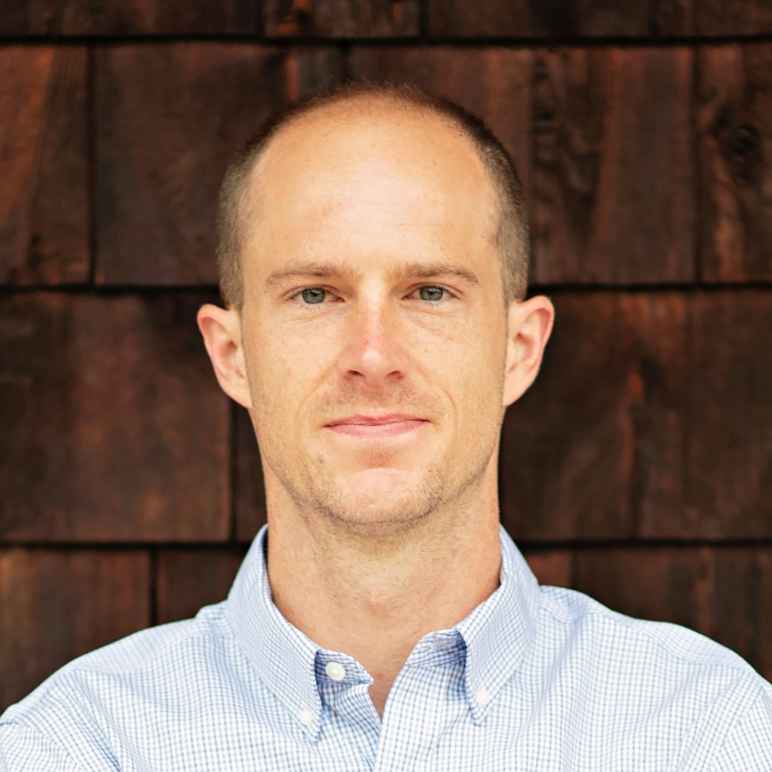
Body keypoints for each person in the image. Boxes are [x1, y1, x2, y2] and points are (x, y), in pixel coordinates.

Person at [1, 80, 770, 771]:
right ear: (232, 355)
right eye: (315, 294)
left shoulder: (704, 733)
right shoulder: (78, 747)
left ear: (519, 348)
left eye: (430, 292)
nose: (373, 357)